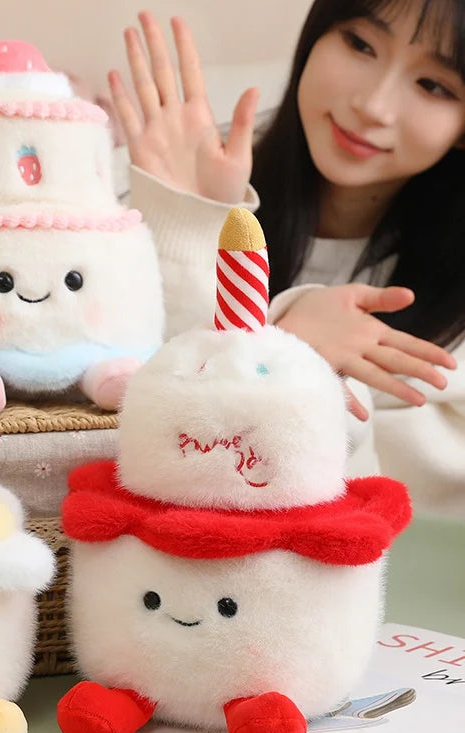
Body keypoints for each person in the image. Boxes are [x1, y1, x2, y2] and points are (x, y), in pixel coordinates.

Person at [109, 0, 465, 515]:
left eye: (434, 85)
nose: (374, 106)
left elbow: (401, 511)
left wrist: (289, 358)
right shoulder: (181, 168)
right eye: (360, 43)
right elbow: (112, 413)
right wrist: (184, 226)